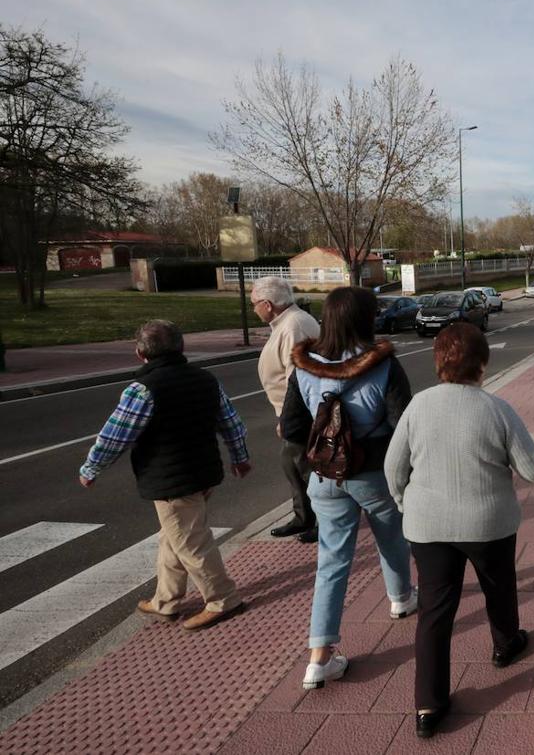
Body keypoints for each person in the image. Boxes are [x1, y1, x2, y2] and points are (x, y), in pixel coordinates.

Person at [384, 322, 534, 739]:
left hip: (427, 525)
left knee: (434, 610)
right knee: (498, 584)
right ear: (482, 363)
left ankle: (428, 704)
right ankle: (504, 643)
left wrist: (408, 504)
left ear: (438, 361)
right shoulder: (496, 408)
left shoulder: (418, 406)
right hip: (488, 522)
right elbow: (533, 468)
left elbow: (393, 468)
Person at [280, 286, 417, 691]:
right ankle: (401, 598)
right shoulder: (384, 364)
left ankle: (319, 658)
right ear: (366, 318)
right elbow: (402, 423)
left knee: (332, 562)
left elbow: (291, 427)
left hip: (324, 477)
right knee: (391, 538)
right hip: (372, 474)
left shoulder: (303, 365)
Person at [78, 320, 251, 631]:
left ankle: (224, 599)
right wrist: (239, 456)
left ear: (140, 353)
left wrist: (92, 467)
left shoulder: (143, 389)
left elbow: (115, 436)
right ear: (181, 347)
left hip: (172, 478)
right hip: (203, 472)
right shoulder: (205, 379)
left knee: (190, 541)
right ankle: (166, 601)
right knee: (174, 537)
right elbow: (230, 422)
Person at [251, 275, 321, 543]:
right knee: (291, 464)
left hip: (300, 414)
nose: (253, 308)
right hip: (292, 411)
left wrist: (289, 417)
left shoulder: (294, 325)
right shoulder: (287, 322)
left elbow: (298, 377)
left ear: (268, 304)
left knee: (305, 466)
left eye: (255, 303)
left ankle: (321, 519)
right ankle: (304, 516)